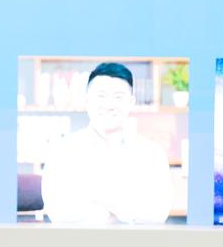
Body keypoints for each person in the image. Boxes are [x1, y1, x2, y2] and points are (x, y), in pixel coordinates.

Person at [38, 62, 173, 225]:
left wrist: (100, 200)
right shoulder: (63, 150)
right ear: (87, 100)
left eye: (118, 97)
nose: (109, 105)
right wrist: (118, 210)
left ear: (131, 102)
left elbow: (158, 212)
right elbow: (58, 210)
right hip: (77, 246)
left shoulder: (152, 154)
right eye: (101, 96)